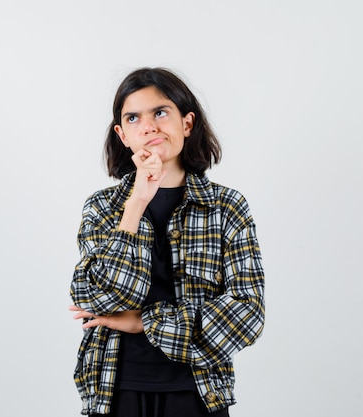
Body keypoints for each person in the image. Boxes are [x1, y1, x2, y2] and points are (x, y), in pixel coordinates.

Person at [69, 67, 265, 417]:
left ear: (186, 124)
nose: (149, 126)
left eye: (160, 112)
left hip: (198, 391)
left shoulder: (226, 207)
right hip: (115, 389)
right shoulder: (101, 207)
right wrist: (137, 203)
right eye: (133, 118)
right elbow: (104, 296)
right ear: (123, 134)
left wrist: (145, 321)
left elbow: (246, 313)